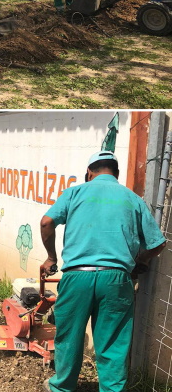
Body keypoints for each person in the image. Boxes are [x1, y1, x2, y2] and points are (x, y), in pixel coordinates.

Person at [40, 151, 166, 392]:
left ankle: (61, 387)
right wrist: (140, 260)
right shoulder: (132, 199)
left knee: (69, 338)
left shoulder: (75, 192)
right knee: (113, 342)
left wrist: (51, 258)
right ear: (116, 174)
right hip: (117, 278)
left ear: (89, 173)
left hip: (77, 276)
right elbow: (157, 243)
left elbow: (46, 222)